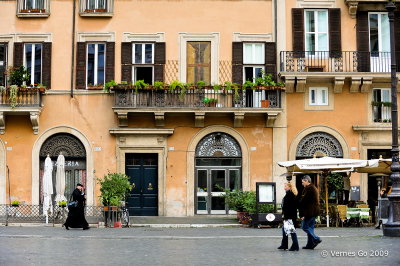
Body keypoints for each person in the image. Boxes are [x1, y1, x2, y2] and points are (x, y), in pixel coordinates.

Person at [299, 175, 321, 249]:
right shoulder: (313, 188)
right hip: (313, 211)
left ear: (306, 181)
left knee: (304, 227)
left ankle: (316, 238)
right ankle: (310, 244)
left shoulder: (309, 189)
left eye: (303, 182)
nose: (302, 183)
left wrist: (301, 213)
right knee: (310, 228)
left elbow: (304, 201)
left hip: (310, 212)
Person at [277, 182, 299, 251]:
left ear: (289, 187)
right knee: (284, 230)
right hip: (290, 217)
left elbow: (288, 208)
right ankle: (284, 245)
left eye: (285, 186)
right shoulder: (289, 195)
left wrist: (286, 217)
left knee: (292, 232)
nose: (284, 187)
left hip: (289, 217)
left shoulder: (289, 195)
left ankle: (295, 246)